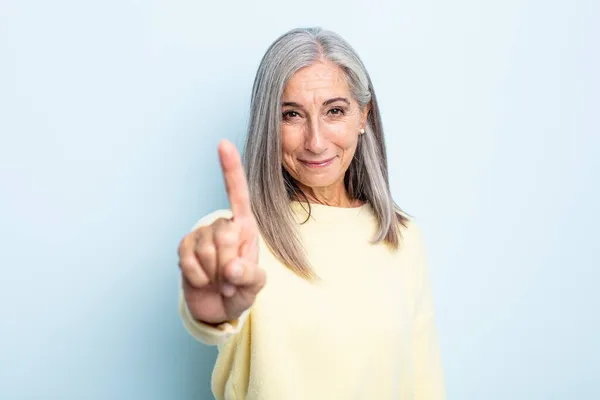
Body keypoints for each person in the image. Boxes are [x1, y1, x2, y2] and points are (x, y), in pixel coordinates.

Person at [177, 27, 446, 400]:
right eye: (292, 115)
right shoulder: (237, 238)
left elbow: (425, 383)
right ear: (269, 124)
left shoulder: (403, 237)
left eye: (334, 111)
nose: (316, 141)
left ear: (363, 116)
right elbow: (210, 307)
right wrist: (210, 312)